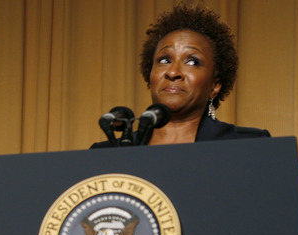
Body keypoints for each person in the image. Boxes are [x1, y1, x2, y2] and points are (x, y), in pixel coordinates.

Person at [92, 4, 270, 148]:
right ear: (150, 75)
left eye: (192, 62)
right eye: (164, 60)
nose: (173, 72)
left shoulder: (251, 145)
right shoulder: (107, 153)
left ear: (215, 86)